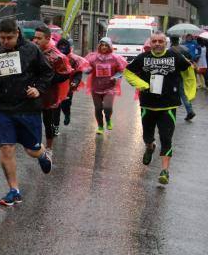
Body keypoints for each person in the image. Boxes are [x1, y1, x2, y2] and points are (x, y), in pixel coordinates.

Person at [0, 18, 54, 206]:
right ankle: (14, 190)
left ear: (17, 33)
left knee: (31, 150)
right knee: (6, 148)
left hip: (28, 108)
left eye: (9, 38)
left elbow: (47, 72)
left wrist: (38, 89)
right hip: (4, 108)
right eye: (1, 38)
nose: (5, 41)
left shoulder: (31, 50)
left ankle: (43, 155)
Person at [124, 31, 196, 185]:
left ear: (165, 43)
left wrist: (190, 92)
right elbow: (128, 72)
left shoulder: (175, 56)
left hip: (168, 106)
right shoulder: (143, 58)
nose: (157, 44)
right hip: (147, 105)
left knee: (166, 138)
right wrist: (142, 84)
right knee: (147, 137)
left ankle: (164, 171)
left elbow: (188, 70)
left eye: (160, 41)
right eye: (154, 41)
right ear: (150, 43)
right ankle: (150, 147)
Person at [32, 25, 71, 153]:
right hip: (33, 92)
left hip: (48, 93)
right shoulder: (31, 51)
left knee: (47, 121)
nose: (35, 41)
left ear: (48, 38)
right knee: (33, 119)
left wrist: (47, 80)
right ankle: (35, 144)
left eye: (39, 38)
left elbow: (65, 74)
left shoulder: (57, 56)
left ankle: (49, 148)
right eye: (34, 38)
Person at [84, 38, 127, 134]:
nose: (104, 47)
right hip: (96, 87)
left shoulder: (115, 58)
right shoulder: (93, 57)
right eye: (102, 45)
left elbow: (121, 70)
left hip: (109, 88)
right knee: (98, 108)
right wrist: (87, 70)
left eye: (106, 45)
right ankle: (100, 126)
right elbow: (87, 69)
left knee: (108, 107)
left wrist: (115, 77)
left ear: (110, 47)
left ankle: (108, 119)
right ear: (99, 46)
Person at [55, 37, 89, 127]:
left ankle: (67, 114)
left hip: (68, 86)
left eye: (64, 46)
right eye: (60, 46)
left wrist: (75, 82)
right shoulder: (54, 57)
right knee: (56, 107)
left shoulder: (74, 59)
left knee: (65, 105)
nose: (62, 48)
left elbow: (78, 73)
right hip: (56, 85)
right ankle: (55, 126)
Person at [169, 36, 197, 121]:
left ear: (171, 41)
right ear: (178, 40)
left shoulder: (170, 50)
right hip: (185, 74)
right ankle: (190, 110)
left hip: (174, 75)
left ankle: (170, 112)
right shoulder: (185, 48)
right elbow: (191, 60)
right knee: (183, 94)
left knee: (171, 93)